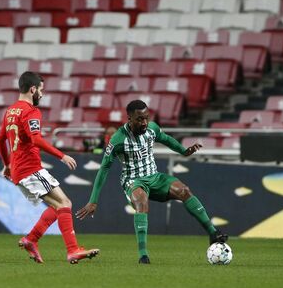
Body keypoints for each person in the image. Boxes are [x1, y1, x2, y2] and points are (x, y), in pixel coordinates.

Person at [75, 99, 227, 264]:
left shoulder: (151, 128)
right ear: (130, 119)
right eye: (140, 119)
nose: (144, 122)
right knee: (141, 202)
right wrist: (93, 200)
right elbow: (104, 169)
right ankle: (143, 255)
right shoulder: (118, 140)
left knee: (184, 190)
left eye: (146, 118)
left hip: (155, 177)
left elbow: (166, 139)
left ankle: (213, 233)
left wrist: (184, 151)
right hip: (133, 181)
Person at [0, 71, 100, 264]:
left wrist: (6, 164)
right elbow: (36, 139)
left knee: (58, 206)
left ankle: (31, 240)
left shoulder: (10, 111)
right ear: (33, 89)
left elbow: (0, 140)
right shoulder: (31, 111)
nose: (42, 95)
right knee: (65, 204)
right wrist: (62, 155)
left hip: (20, 170)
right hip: (30, 168)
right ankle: (72, 250)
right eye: (41, 90)